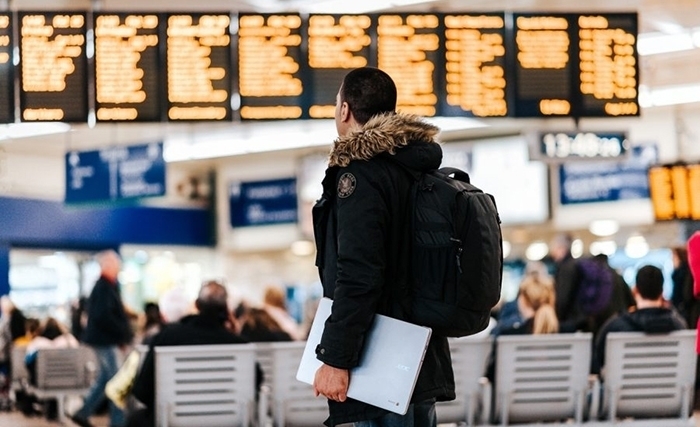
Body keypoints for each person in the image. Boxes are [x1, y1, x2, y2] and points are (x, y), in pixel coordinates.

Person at [311, 66, 454, 427]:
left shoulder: (360, 176)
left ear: (345, 111)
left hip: (378, 363)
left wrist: (336, 359)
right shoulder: (417, 171)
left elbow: (358, 274)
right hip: (419, 356)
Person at [127, 280, 259, 427]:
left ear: (197, 305)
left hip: (173, 421)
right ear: (226, 308)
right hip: (227, 421)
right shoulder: (240, 346)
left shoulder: (166, 336)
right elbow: (255, 388)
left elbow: (142, 392)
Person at [71, 250, 134, 427]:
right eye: (116, 264)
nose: (119, 267)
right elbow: (103, 316)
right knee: (117, 382)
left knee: (106, 379)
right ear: (108, 265)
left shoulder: (106, 286)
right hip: (104, 341)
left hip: (104, 340)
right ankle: (117, 422)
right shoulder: (104, 287)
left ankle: (83, 412)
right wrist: (122, 333)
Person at [591, 265, 687, 376]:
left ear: (635, 290)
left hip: (625, 391)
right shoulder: (679, 325)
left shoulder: (614, 327)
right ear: (661, 292)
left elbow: (597, 365)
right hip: (668, 391)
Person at [22, 317, 79, 419]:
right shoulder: (69, 340)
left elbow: (27, 363)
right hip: (70, 379)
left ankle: (47, 410)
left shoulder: (38, 342)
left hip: (44, 381)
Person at [549, 233, 580, 332]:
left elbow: (563, 298)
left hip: (569, 322)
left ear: (561, 248)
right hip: (577, 319)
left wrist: (557, 318)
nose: (552, 253)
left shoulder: (565, 268)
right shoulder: (574, 265)